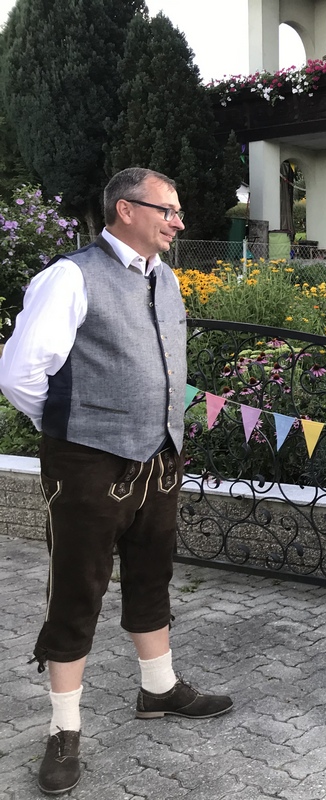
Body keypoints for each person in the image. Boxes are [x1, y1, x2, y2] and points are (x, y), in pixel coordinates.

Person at [0, 167, 233, 795]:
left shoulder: (167, 278)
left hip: (159, 455)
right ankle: (63, 730)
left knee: (153, 573)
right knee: (77, 590)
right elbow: (21, 373)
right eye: (169, 210)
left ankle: (158, 689)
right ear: (126, 210)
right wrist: (77, 427)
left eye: (179, 211)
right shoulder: (71, 276)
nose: (179, 221)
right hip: (88, 463)